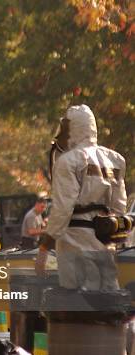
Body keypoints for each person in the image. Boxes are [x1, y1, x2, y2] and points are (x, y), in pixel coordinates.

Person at [36, 105, 127, 291]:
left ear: (72, 128)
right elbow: (119, 207)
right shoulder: (115, 160)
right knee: (107, 296)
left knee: (77, 299)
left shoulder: (68, 161)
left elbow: (62, 208)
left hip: (74, 240)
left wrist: (44, 248)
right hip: (105, 238)